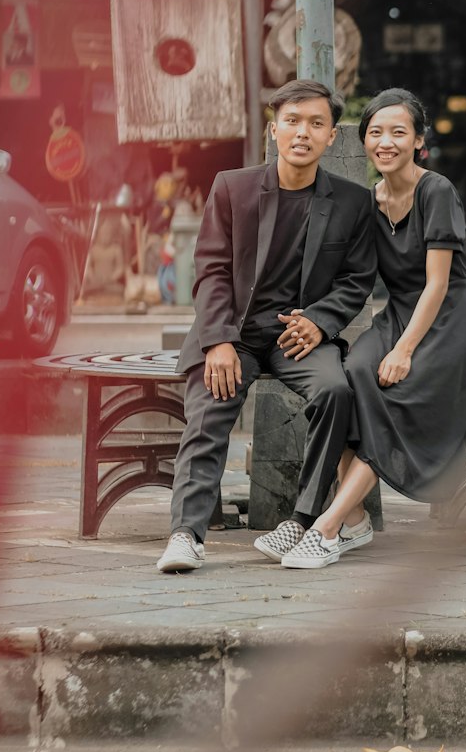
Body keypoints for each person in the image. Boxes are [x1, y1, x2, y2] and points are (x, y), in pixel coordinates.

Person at [155, 79, 376, 574]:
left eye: (316, 123)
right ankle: (186, 535)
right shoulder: (232, 187)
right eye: (293, 122)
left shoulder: (352, 203)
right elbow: (210, 270)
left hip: (299, 336)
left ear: (331, 137)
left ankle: (303, 519)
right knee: (211, 409)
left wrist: (320, 322)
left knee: (335, 392)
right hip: (233, 332)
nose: (303, 133)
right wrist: (217, 341)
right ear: (274, 130)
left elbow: (357, 279)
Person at [281, 87, 466, 569]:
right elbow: (351, 272)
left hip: (448, 323)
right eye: (376, 132)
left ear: (419, 141)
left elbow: (438, 285)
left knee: (392, 392)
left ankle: (328, 525)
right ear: (364, 142)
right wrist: (310, 316)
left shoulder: (435, 191)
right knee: (351, 371)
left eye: (399, 132)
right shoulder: (368, 200)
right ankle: (354, 517)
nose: (386, 142)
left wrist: (402, 351)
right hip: (398, 313)